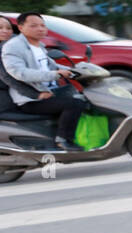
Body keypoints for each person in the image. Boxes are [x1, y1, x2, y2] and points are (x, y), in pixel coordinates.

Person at [1, 12, 85, 151]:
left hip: (48, 91)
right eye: (34, 26)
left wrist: (77, 70)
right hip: (29, 99)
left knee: (81, 97)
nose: (40, 29)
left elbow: (51, 65)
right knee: (74, 104)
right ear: (21, 28)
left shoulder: (38, 45)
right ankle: (63, 140)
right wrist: (37, 93)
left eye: (42, 25)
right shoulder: (12, 47)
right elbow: (17, 74)